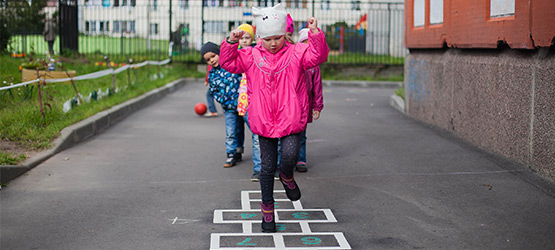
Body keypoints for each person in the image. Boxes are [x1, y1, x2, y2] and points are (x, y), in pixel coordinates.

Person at [219, 3, 329, 233]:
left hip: (290, 117)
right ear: (260, 36)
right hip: (263, 120)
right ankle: (267, 211)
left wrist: (315, 34)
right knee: (267, 168)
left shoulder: (297, 52)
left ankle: (288, 175)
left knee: (289, 156)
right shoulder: (250, 55)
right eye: (268, 38)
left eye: (277, 38)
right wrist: (231, 42)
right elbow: (228, 63)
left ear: (285, 35)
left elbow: (318, 56)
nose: (273, 43)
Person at [201, 42, 244, 167]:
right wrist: (223, 100)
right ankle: (231, 154)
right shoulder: (212, 75)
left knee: (248, 130)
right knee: (231, 131)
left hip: (243, 105)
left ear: (219, 53)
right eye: (208, 60)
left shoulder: (232, 65)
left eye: (213, 56)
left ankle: (242, 150)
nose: (211, 60)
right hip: (229, 108)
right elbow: (213, 91)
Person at [235, 23, 264, 182]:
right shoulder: (241, 55)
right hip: (246, 98)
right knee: (255, 136)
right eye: (242, 38)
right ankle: (258, 168)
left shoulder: (257, 52)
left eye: (248, 38)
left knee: (269, 137)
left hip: (262, 98)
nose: (245, 41)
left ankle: (274, 166)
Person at [295, 28, 324, 172]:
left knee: (301, 135)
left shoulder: (314, 66)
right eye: (305, 43)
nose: (308, 47)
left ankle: (300, 159)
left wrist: (317, 107)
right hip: (292, 105)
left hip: (305, 106)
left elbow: (317, 88)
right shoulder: (295, 61)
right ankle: (285, 159)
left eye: (311, 44)